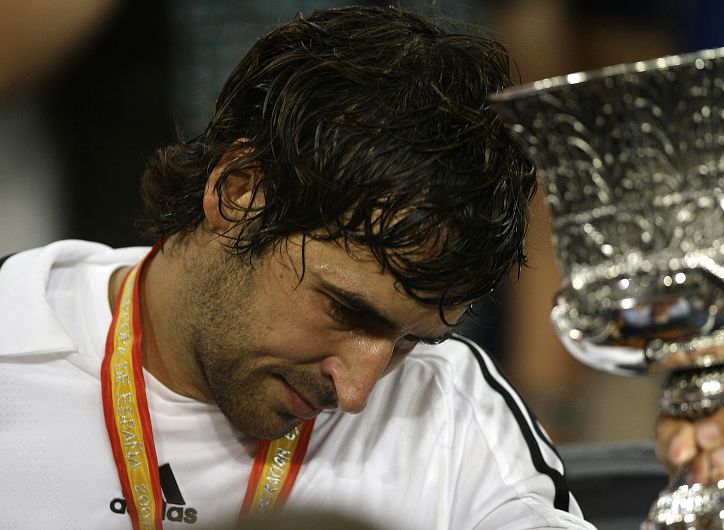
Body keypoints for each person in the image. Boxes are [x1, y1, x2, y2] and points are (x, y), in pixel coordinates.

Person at [0, 6, 594, 529]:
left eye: (411, 340)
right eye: (346, 308)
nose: (358, 389)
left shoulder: (455, 403)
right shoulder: (14, 338)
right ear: (238, 192)